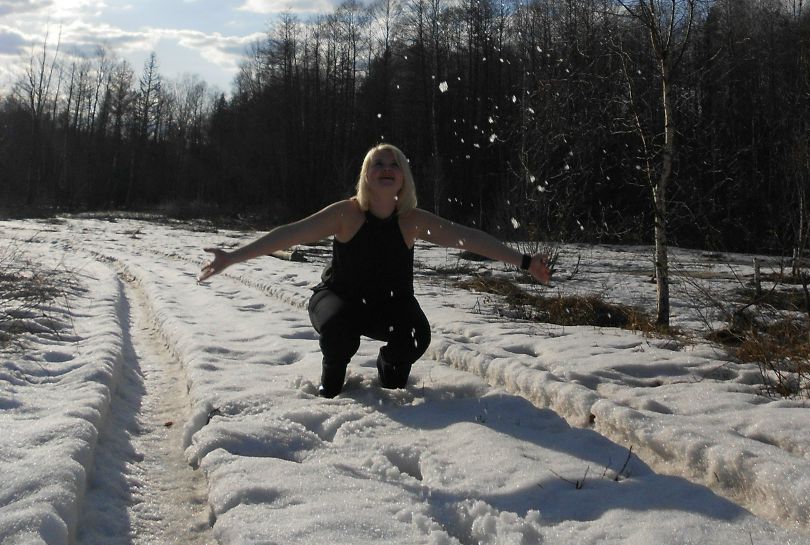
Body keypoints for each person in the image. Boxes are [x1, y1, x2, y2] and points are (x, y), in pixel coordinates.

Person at [199, 143, 551, 398]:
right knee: (339, 331)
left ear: (403, 179)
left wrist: (523, 262)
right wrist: (231, 257)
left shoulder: (412, 221)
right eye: (377, 162)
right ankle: (331, 386)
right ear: (365, 176)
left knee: (416, 335)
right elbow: (290, 233)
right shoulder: (346, 214)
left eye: (393, 163)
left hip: (390, 305)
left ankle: (389, 371)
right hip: (339, 300)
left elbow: (468, 238)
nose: (386, 167)